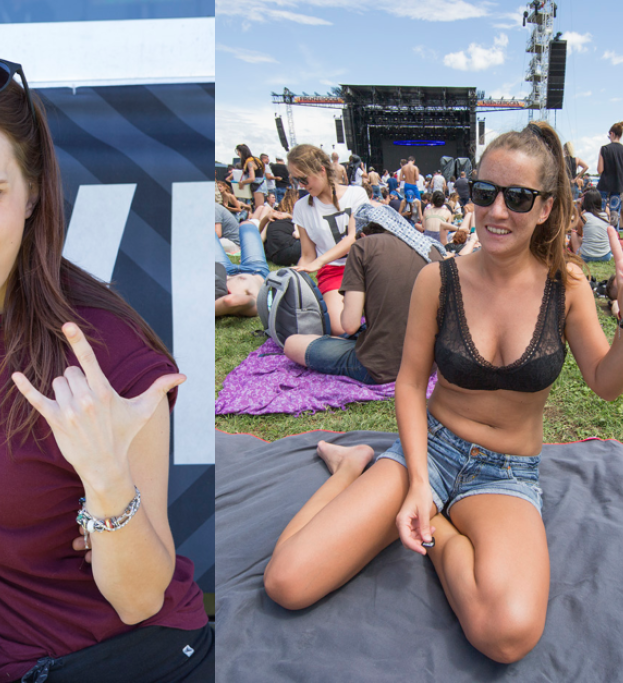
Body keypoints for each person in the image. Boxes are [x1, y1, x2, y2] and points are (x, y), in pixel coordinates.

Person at [0, 56, 212, 682]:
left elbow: (140, 598)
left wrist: (106, 480)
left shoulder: (103, 352)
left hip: (121, 662)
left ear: (32, 194)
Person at [263, 121, 623, 664]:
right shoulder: (440, 278)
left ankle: (438, 527)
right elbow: (408, 383)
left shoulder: (565, 285)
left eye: (519, 197)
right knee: (286, 582)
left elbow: (606, 384)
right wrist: (413, 483)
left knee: (508, 634)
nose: (497, 211)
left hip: (505, 472)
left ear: (546, 207)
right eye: (484, 193)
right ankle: (348, 467)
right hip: (429, 451)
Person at [283, 204, 442, 384]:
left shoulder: (363, 247)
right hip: (428, 366)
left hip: (381, 367)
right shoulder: (431, 250)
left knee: (292, 343)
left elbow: (349, 325)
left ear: (363, 235)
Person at [288, 144, 370, 336]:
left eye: (303, 178)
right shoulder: (301, 207)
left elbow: (354, 237)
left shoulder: (356, 194)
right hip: (334, 272)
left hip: (367, 266)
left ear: (321, 170)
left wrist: (320, 260)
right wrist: (297, 276)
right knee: (341, 328)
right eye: (296, 180)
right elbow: (307, 255)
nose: (301, 185)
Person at [569, 188, 613, 263]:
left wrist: (579, 209)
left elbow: (579, 233)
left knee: (573, 234)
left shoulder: (584, 217)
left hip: (586, 257)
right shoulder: (605, 215)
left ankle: (574, 253)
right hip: (605, 256)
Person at [597, 122, 623, 228]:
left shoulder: (604, 149)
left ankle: (600, 234)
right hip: (618, 185)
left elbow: (600, 170)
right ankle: (613, 236)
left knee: (600, 212)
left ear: (612, 133)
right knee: (614, 213)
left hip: (604, 184)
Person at [236, 143, 265, 210]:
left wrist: (242, 182)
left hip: (258, 185)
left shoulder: (250, 162)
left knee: (259, 208)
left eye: (238, 152)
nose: (238, 155)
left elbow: (252, 178)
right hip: (258, 185)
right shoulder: (253, 160)